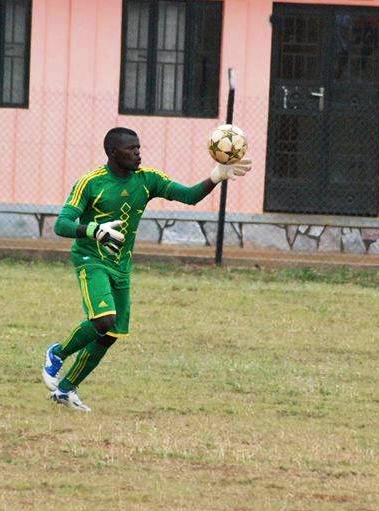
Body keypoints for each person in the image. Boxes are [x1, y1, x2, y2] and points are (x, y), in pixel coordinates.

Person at [41, 127, 252, 411]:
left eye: (139, 147)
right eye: (131, 149)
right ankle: (57, 353)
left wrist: (216, 177)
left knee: (111, 334)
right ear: (113, 153)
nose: (138, 153)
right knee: (103, 320)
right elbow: (61, 224)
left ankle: (66, 390)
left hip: (121, 266)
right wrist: (94, 230)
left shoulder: (147, 179)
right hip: (91, 259)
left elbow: (189, 196)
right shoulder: (90, 183)